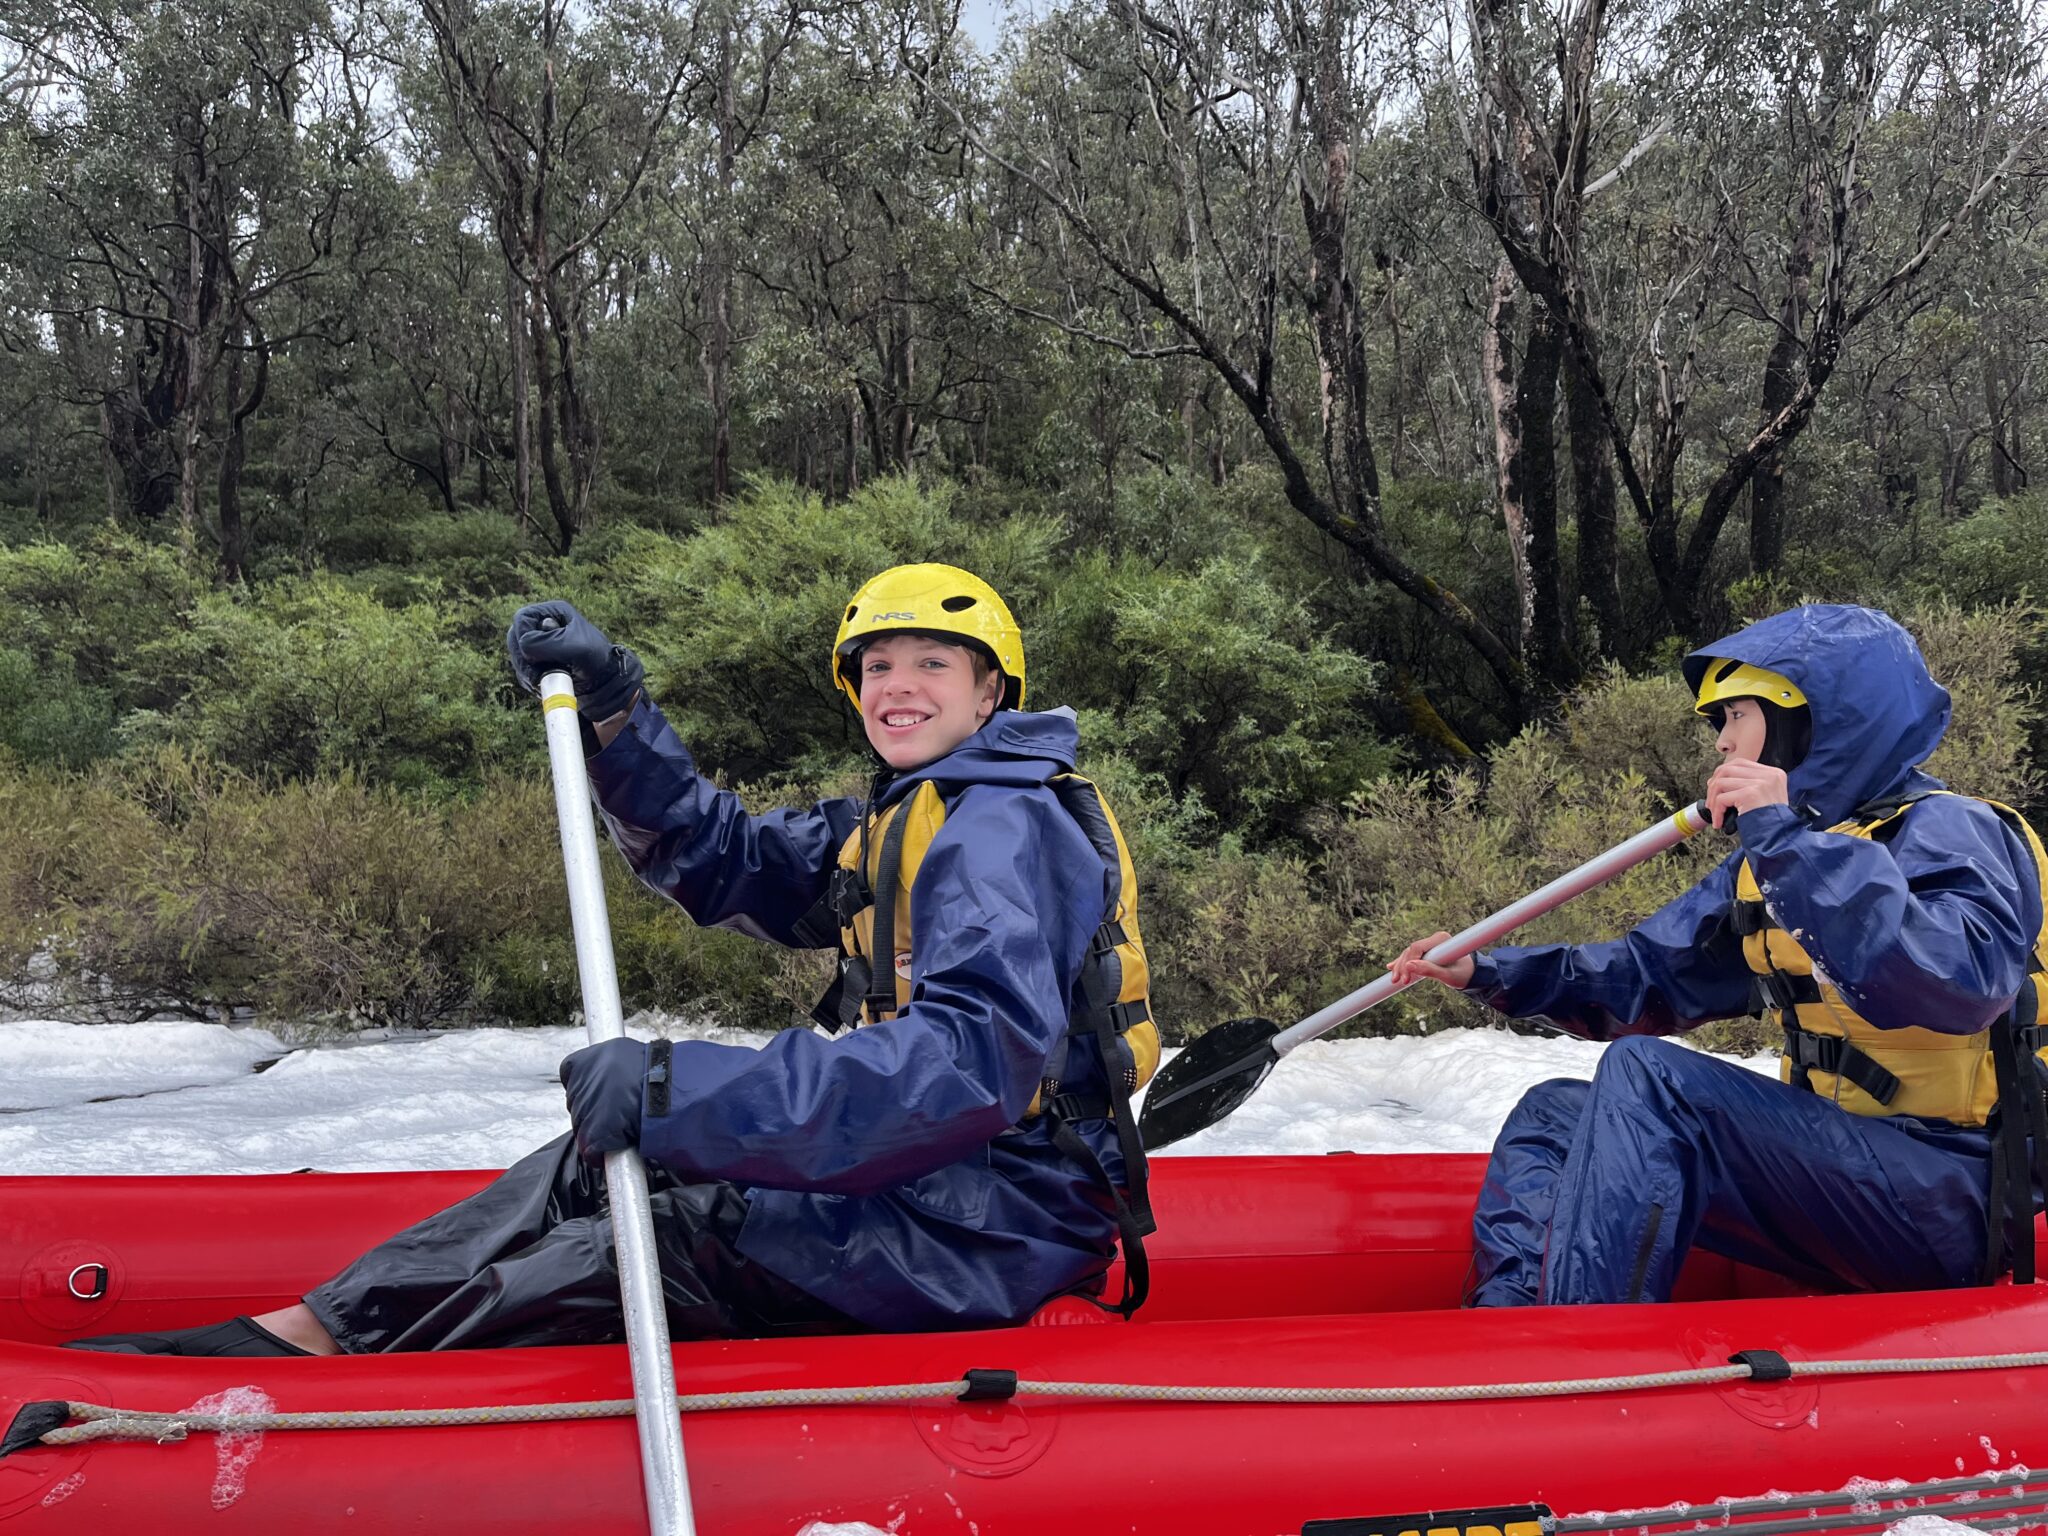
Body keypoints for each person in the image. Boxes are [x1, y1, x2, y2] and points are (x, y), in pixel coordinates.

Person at [72, 563, 1158, 1356]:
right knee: (586, 1162)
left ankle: (326, 1394)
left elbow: (968, 1065)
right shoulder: (899, 818)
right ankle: (307, 1333)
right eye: (878, 666)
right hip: (925, 1182)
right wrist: (611, 707)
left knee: (642, 1240)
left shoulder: (1000, 829)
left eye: (933, 663)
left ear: (990, 693)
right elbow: (719, 855)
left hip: (988, 1222)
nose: (898, 685)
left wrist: (681, 1090)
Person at [1388, 603, 2048, 1307]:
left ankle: (1582, 1345)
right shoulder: (1779, 858)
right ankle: (1512, 1331)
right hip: (1842, 1170)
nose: (1724, 742)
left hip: (1953, 1195)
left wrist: (1781, 839)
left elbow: (1956, 984)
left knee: (1652, 1078)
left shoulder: (1956, 829)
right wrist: (1486, 971)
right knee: (1555, 1113)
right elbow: (1645, 978)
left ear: (1814, 722)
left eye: (1738, 715)